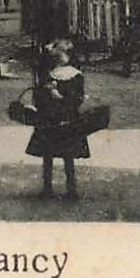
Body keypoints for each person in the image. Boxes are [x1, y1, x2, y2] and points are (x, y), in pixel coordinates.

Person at [27, 44, 89, 199]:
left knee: (61, 155)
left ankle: (67, 189)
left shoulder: (74, 75)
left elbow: (76, 98)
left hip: (61, 118)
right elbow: (41, 97)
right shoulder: (51, 75)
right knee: (53, 155)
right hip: (56, 118)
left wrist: (57, 96)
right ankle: (55, 188)